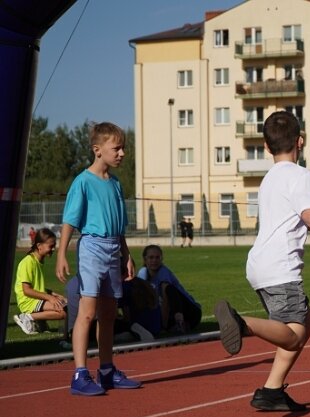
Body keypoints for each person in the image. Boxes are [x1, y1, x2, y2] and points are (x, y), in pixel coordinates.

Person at [214, 111, 310, 412]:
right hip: (280, 267)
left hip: (260, 264)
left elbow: (301, 218)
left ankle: (272, 391)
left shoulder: (269, 179)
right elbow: (308, 216)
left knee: (306, 322)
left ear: (265, 146)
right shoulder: (301, 175)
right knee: (293, 335)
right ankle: (242, 323)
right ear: (300, 141)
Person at [55, 121, 141, 396]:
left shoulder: (115, 184)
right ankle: (80, 374)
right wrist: (61, 254)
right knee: (87, 312)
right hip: (92, 248)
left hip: (113, 248)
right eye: (117, 148)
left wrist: (126, 255)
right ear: (97, 150)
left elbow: (120, 225)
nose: (122, 153)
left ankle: (106, 369)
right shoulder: (83, 182)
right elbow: (69, 220)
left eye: (123, 148)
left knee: (108, 315)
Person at [13, 228, 67, 335]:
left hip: (35, 299)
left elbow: (37, 287)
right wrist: (50, 297)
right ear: (39, 246)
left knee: (65, 304)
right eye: (50, 246)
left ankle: (39, 321)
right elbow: (27, 291)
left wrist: (55, 295)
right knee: (63, 312)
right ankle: (27, 317)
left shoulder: (38, 261)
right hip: (28, 301)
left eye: (54, 246)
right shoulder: (28, 262)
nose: (53, 249)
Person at [137, 244, 202, 333]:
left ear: (161, 259)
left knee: (169, 289)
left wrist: (163, 327)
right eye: (151, 258)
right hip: (169, 313)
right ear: (145, 259)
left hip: (190, 311)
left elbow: (166, 302)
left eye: (157, 257)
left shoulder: (163, 272)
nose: (154, 260)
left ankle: (180, 322)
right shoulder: (142, 273)